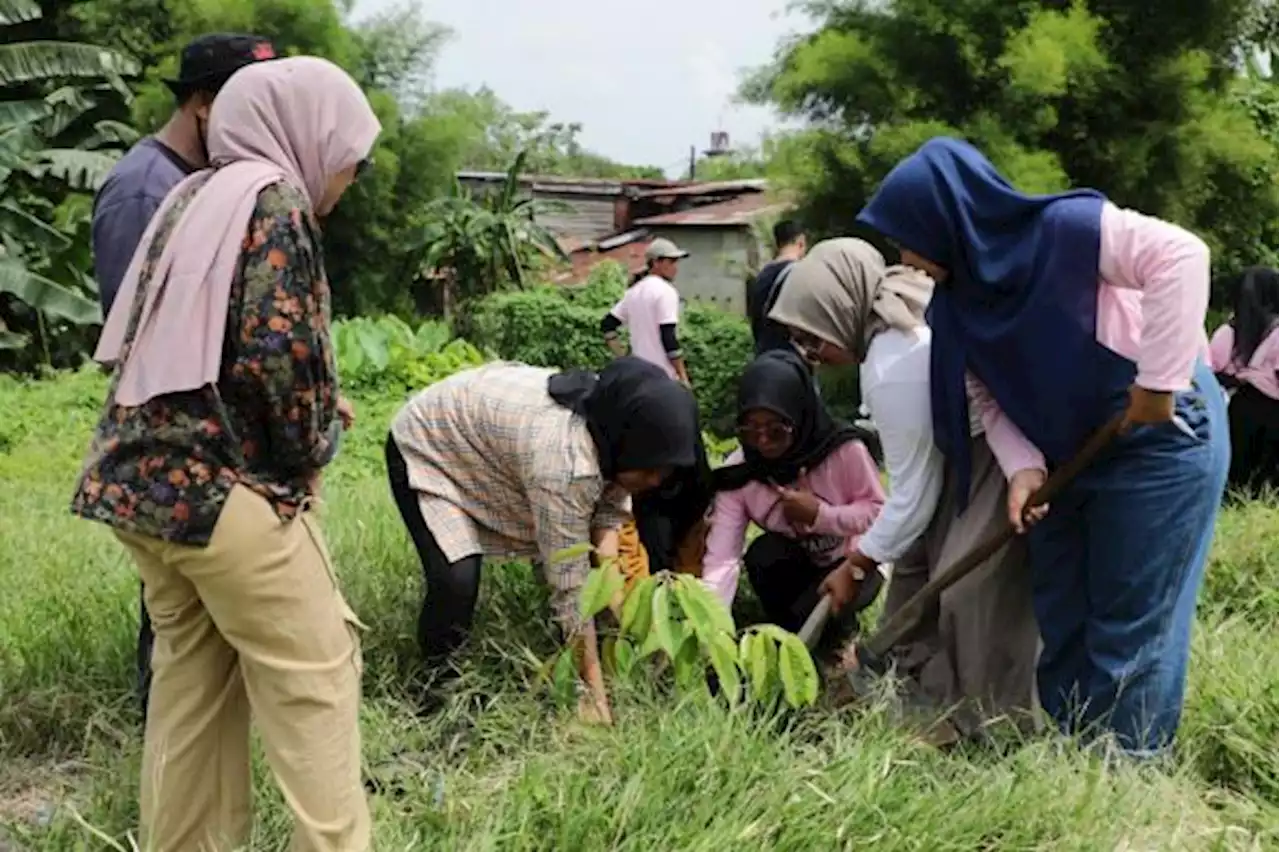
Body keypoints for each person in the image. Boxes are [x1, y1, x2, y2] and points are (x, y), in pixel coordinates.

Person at [72, 57, 380, 851]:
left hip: (138, 485)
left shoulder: (189, 194)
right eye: (351, 155)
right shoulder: (275, 203)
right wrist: (315, 443)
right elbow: (281, 358)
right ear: (309, 133)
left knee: (193, 692)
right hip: (220, 492)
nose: (349, 177)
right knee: (318, 675)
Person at [854, 136, 1229, 757]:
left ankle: (1127, 782)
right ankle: (1074, 762)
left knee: (1128, 624)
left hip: (1158, 439)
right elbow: (991, 398)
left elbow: (1183, 256)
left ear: (947, 218)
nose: (905, 256)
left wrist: (1158, 383)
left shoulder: (1066, 230)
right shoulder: (955, 309)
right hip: (1065, 455)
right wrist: (1024, 469)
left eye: (905, 236)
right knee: (1063, 615)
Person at [769, 238, 1040, 735]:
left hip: (993, 460)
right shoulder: (888, 332)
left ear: (841, 311)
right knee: (917, 572)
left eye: (814, 339)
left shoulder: (891, 367)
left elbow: (913, 493)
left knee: (966, 591)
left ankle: (991, 725)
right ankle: (911, 688)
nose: (813, 356)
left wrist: (857, 563)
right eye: (800, 344)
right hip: (958, 458)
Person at [90, 31, 276, 720]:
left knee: (199, 616)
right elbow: (145, 337)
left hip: (215, 441)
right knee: (173, 622)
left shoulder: (204, 184)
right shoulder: (146, 191)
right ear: (204, 103)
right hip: (171, 441)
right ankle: (161, 762)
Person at [385, 357, 701, 722]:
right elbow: (570, 587)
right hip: (430, 444)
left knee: (595, 601)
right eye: (648, 470)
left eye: (664, 471)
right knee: (457, 577)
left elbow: (607, 530)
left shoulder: (617, 424)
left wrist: (619, 613)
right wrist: (593, 697)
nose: (655, 481)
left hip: (492, 438)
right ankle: (438, 690)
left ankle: (588, 663)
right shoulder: (566, 465)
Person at [701, 348, 885, 645]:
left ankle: (836, 636)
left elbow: (878, 512)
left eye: (776, 432)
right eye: (750, 432)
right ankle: (791, 635)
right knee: (763, 555)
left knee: (817, 614)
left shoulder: (843, 451)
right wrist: (711, 625)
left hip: (852, 561)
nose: (762, 443)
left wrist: (821, 516)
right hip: (796, 562)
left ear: (799, 418)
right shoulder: (740, 473)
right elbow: (722, 558)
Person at [1209, 266, 1280, 493]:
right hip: (1273, 414)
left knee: (1235, 479)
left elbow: (1210, 371)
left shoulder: (1226, 332)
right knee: (1267, 485)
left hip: (1236, 409)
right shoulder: (1277, 334)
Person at [600, 238, 692, 385]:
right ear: (656, 262)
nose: (676, 267)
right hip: (662, 376)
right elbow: (668, 337)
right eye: (671, 261)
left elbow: (607, 324)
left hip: (636, 374)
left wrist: (622, 357)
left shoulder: (634, 292)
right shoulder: (666, 291)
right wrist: (683, 377)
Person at [746, 219, 807, 355]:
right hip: (790, 355)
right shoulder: (799, 273)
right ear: (801, 241)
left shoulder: (762, 275)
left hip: (764, 352)